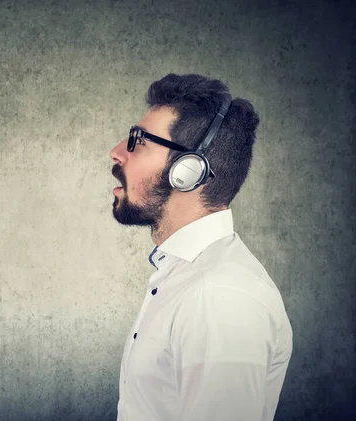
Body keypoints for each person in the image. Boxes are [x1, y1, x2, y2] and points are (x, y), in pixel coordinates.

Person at [110, 74, 293, 421]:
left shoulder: (220, 296)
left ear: (187, 172)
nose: (117, 152)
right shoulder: (187, 276)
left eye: (139, 142)